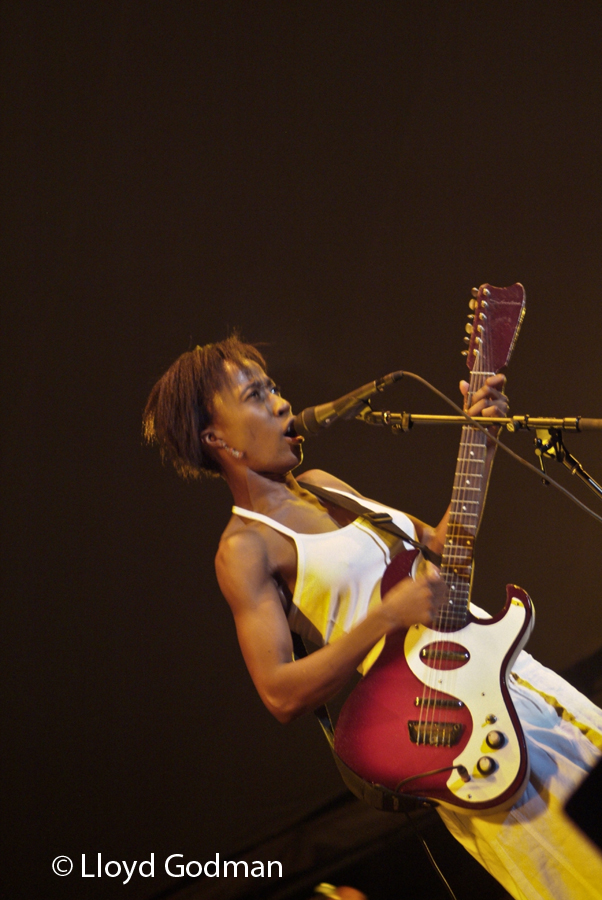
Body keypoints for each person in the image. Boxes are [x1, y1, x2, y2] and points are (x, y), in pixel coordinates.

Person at [144, 336, 602, 900]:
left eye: (276, 388)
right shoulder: (246, 548)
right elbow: (280, 693)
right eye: (257, 395)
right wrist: (387, 618)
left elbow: (443, 548)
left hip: (507, 674)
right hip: (458, 731)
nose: (283, 404)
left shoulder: (322, 485)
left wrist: (479, 437)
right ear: (217, 439)